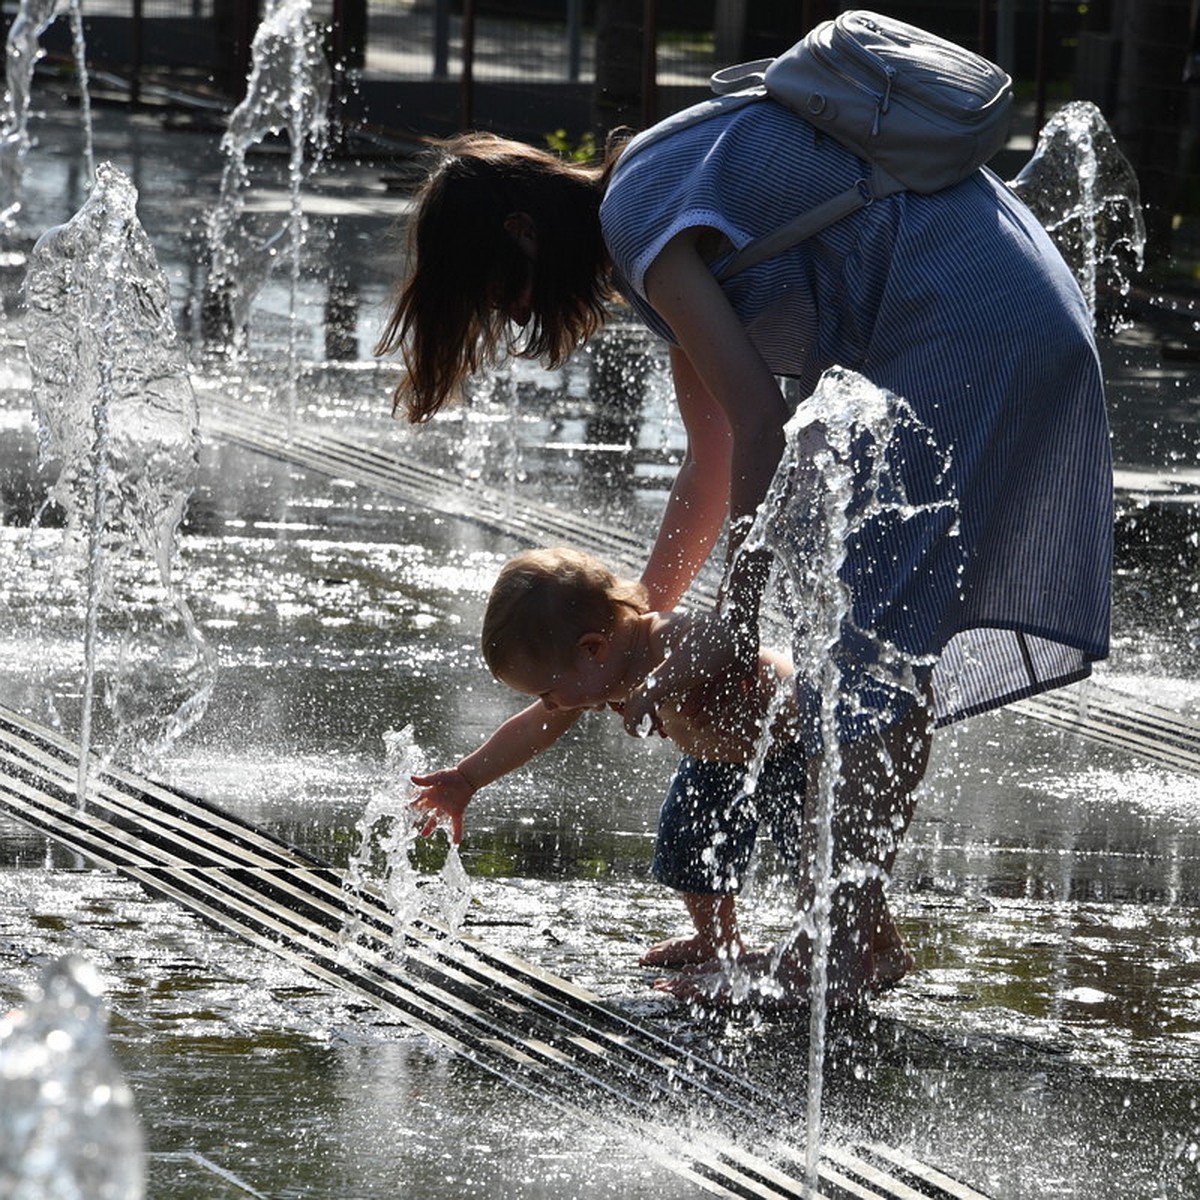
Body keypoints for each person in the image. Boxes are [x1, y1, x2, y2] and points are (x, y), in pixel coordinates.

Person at [377, 64, 1112, 1007]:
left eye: (501, 296)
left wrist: (743, 607)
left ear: (523, 234)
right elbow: (714, 455)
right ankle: (851, 936)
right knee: (872, 652)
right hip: (989, 299)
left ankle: (843, 947)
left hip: (968, 320)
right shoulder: (649, 205)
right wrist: (648, 613)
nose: (520, 321)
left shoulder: (641, 222)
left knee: (868, 659)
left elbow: (763, 420)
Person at [409, 546, 914, 993]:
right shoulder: (597, 672)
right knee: (687, 847)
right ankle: (718, 941)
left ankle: (879, 945)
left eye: (548, 690)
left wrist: (654, 687)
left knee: (821, 859)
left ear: (592, 649)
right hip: (717, 763)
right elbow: (536, 727)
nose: (550, 703)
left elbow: (723, 638)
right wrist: (468, 777)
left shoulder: (661, 635)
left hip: (791, 752)